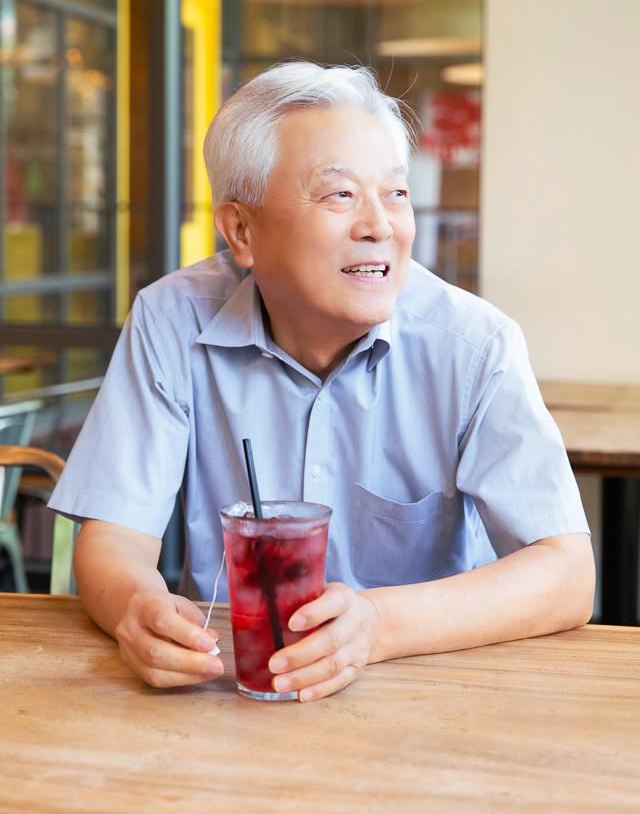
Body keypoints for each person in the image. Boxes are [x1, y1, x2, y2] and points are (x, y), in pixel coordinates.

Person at [48, 62, 594, 702]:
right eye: (341, 195)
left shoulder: (475, 346)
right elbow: (112, 536)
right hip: (234, 698)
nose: (380, 226)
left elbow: (566, 574)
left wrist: (379, 626)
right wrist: (135, 609)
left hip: (429, 702)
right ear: (242, 231)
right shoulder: (171, 321)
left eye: (395, 194)